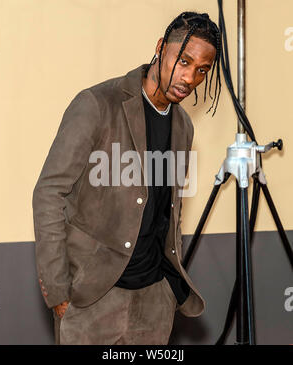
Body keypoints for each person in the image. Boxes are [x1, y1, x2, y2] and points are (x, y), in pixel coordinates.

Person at [32, 11, 221, 345]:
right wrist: (58, 289)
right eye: (184, 61)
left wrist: (165, 292)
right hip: (93, 299)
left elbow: (167, 210)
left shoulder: (183, 126)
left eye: (202, 70)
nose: (190, 77)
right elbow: (49, 192)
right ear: (162, 48)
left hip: (153, 301)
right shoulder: (97, 104)